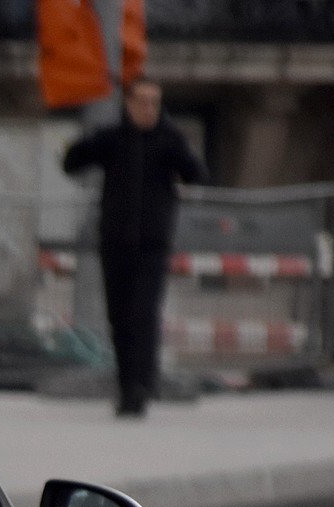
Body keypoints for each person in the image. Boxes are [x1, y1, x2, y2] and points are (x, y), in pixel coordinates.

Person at [62, 81, 207, 418]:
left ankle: (142, 385)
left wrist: (179, 149)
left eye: (154, 102)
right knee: (121, 315)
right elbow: (72, 161)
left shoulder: (169, 140)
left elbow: (196, 173)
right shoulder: (112, 138)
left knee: (144, 314)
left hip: (153, 243)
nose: (147, 108)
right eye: (141, 101)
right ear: (127, 103)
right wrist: (79, 145)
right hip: (115, 242)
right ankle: (127, 384)